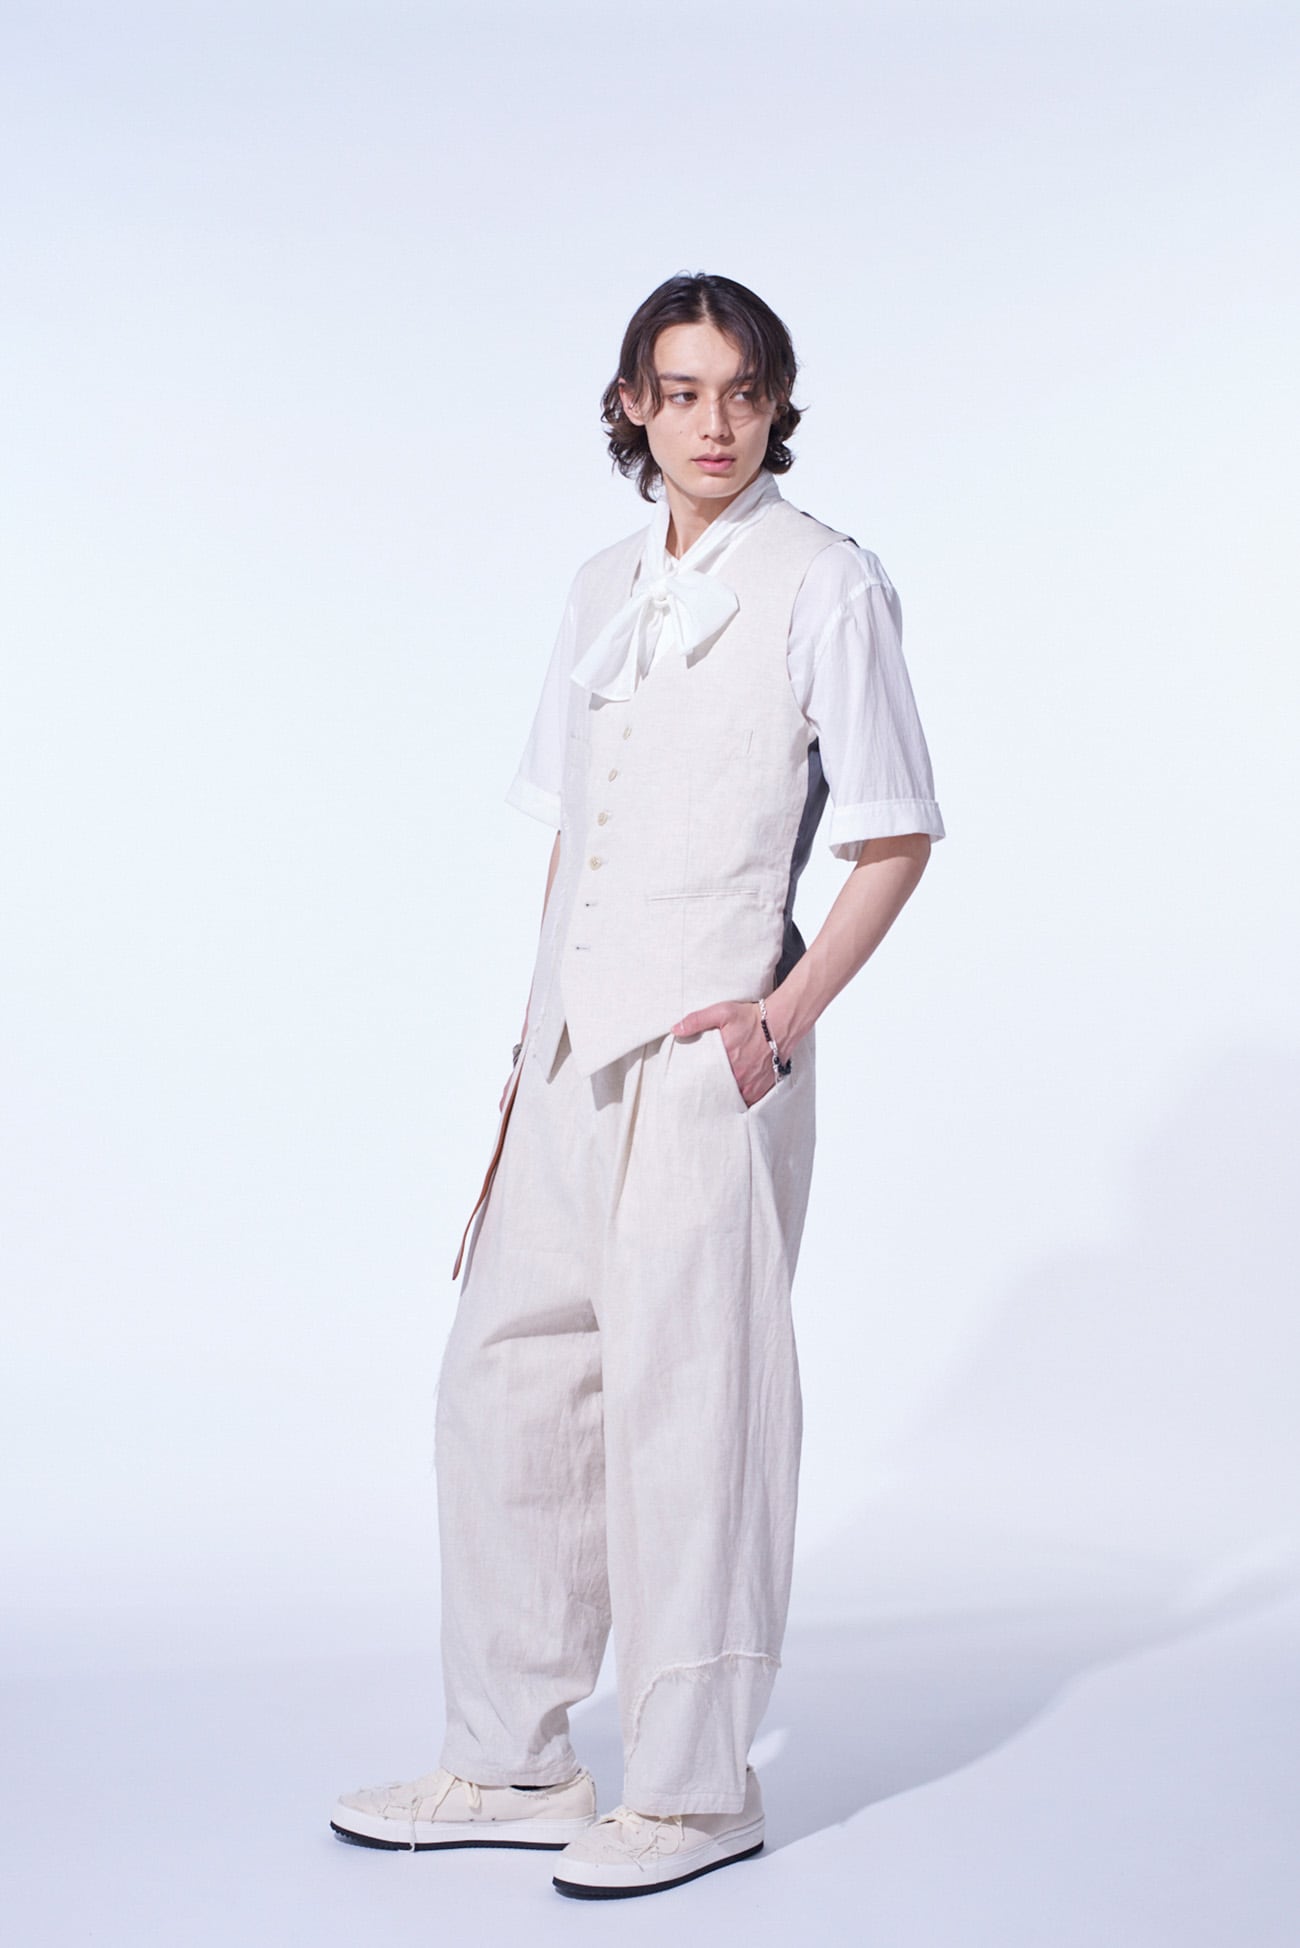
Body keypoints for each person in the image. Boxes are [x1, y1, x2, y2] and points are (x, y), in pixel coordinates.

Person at [330, 270, 946, 1900]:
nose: (714, 424)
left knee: (694, 1409)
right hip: (564, 1056)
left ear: (777, 403)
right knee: (505, 1386)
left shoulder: (826, 582)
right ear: (633, 407)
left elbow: (896, 833)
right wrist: (523, 1059)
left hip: (702, 1061)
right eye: (682, 393)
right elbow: (575, 839)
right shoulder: (601, 583)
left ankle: (692, 1787)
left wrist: (780, 1022)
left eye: (743, 392)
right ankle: (511, 1759)